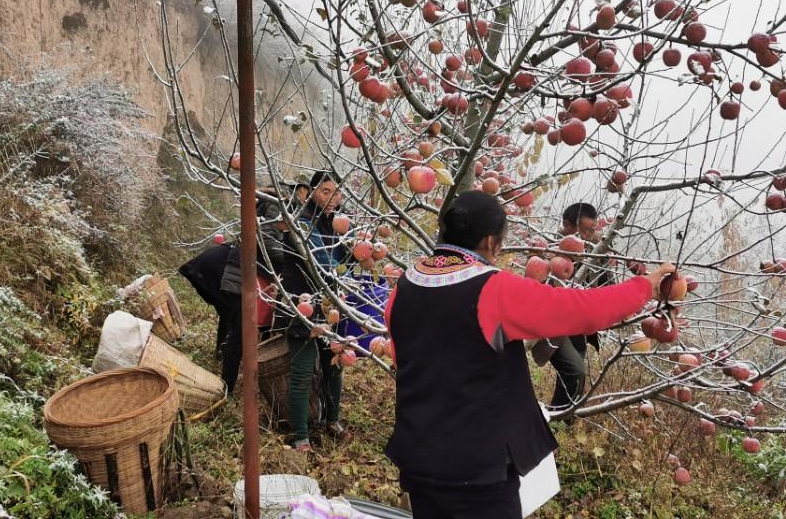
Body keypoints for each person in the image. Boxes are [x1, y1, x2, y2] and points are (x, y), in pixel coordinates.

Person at [384, 191, 674, 518]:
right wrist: (645, 286)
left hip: (420, 458)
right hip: (477, 470)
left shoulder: (404, 286)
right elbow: (582, 310)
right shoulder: (493, 289)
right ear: (492, 242)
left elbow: (405, 360)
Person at [179, 193, 286, 394]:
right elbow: (277, 254)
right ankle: (226, 386)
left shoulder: (267, 226)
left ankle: (225, 364)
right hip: (235, 278)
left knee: (232, 321)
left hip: (236, 278)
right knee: (238, 330)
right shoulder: (268, 227)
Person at [278, 170, 347, 452]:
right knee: (303, 371)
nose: (332, 198)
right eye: (325, 191)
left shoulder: (337, 224)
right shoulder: (302, 223)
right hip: (303, 305)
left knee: (335, 367)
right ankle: (301, 436)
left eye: (337, 193)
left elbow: (348, 262)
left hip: (331, 305)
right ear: (313, 191)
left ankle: (332, 421)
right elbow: (323, 263)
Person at [547, 202, 608, 411]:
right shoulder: (548, 252)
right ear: (567, 225)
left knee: (574, 375)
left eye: (592, 230)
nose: (588, 236)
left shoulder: (595, 252)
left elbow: (608, 285)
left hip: (578, 328)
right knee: (575, 371)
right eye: (584, 231)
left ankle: (562, 418)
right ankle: (557, 423)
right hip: (551, 324)